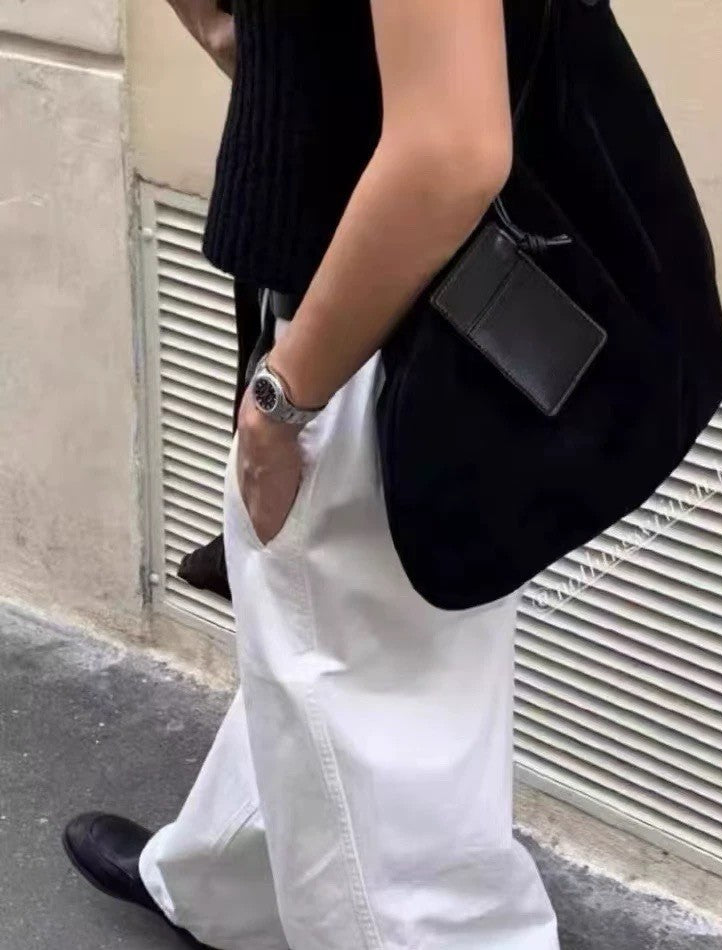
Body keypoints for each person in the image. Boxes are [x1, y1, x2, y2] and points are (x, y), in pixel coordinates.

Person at [62, 0, 561, 947]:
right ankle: (227, 887)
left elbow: (451, 148)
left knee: (379, 723)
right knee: (343, 658)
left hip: (383, 331)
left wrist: (283, 400)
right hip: (404, 308)